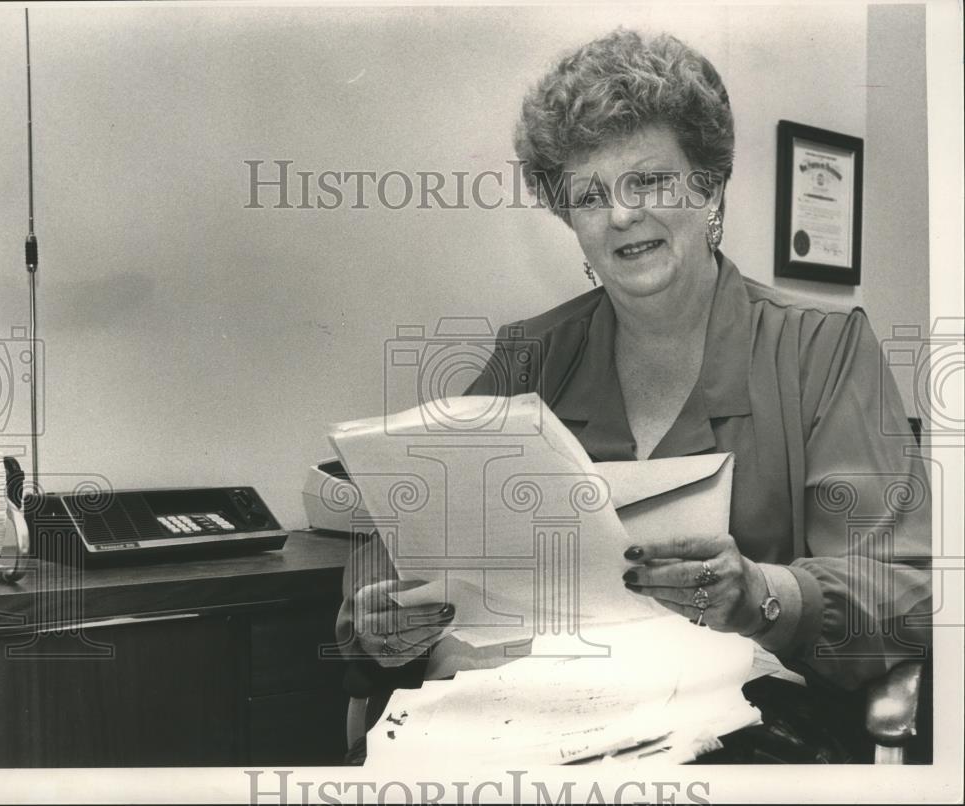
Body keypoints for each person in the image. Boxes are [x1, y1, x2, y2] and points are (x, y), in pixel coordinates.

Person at [334, 28, 932, 763]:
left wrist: (763, 594)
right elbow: (398, 548)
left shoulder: (822, 348)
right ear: (569, 221)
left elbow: (907, 600)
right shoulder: (526, 358)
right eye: (589, 195)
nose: (621, 215)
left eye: (648, 181)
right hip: (545, 725)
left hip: (749, 730)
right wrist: (377, 623)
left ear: (708, 185)